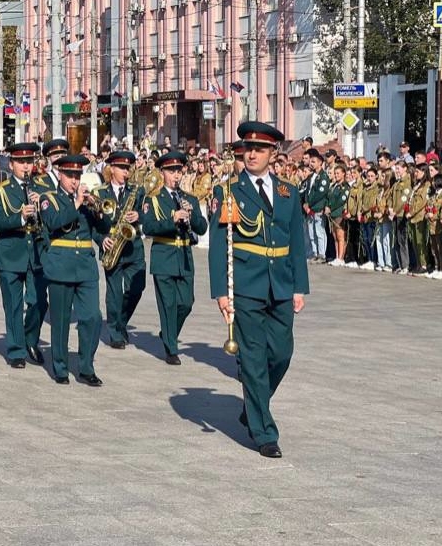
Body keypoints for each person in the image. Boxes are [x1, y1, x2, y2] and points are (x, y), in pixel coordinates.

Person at [209, 121, 309, 458]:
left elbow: (297, 241)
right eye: (247, 148)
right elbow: (218, 246)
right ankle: (264, 432)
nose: (251, 154)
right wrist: (221, 291)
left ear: (273, 154)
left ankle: (255, 404)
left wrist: (299, 287)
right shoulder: (229, 192)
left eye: (259, 149)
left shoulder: (288, 193)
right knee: (252, 358)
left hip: (280, 283)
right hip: (247, 286)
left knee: (281, 353)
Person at [39, 155, 111, 385]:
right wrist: (77, 203)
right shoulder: (48, 198)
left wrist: (99, 213)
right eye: (70, 175)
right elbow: (54, 222)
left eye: (77, 176)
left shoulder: (87, 199)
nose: (74, 180)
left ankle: (86, 366)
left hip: (86, 266)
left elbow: (101, 228)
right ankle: (60, 366)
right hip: (61, 265)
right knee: (60, 320)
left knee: (93, 317)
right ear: (59, 174)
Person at [140, 151, 208, 365]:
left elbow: (203, 228)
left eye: (179, 171)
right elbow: (148, 227)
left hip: (184, 256)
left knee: (186, 303)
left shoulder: (189, 198)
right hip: (164, 255)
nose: (176, 176)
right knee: (168, 304)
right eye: (171, 171)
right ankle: (171, 348)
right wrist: (173, 219)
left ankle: (168, 332)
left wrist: (192, 215)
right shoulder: (153, 199)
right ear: (162, 173)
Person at [0, 142, 50, 368]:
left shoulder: (41, 187)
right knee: (13, 305)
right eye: (21, 162)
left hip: (36, 254)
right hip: (11, 254)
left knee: (38, 302)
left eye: (29, 162)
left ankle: (30, 339)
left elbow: (51, 222)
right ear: (11, 164)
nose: (26, 166)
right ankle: (16, 350)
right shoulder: (1, 189)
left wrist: (41, 209)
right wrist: (20, 218)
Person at [93, 151, 146, 349]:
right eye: (122, 168)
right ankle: (115, 332)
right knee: (114, 292)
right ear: (111, 168)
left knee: (137, 288)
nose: (126, 172)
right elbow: (93, 225)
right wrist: (101, 239)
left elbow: (147, 215)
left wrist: (138, 215)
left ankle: (121, 321)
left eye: (128, 168)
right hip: (112, 244)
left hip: (133, 246)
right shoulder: (100, 192)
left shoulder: (137, 191)